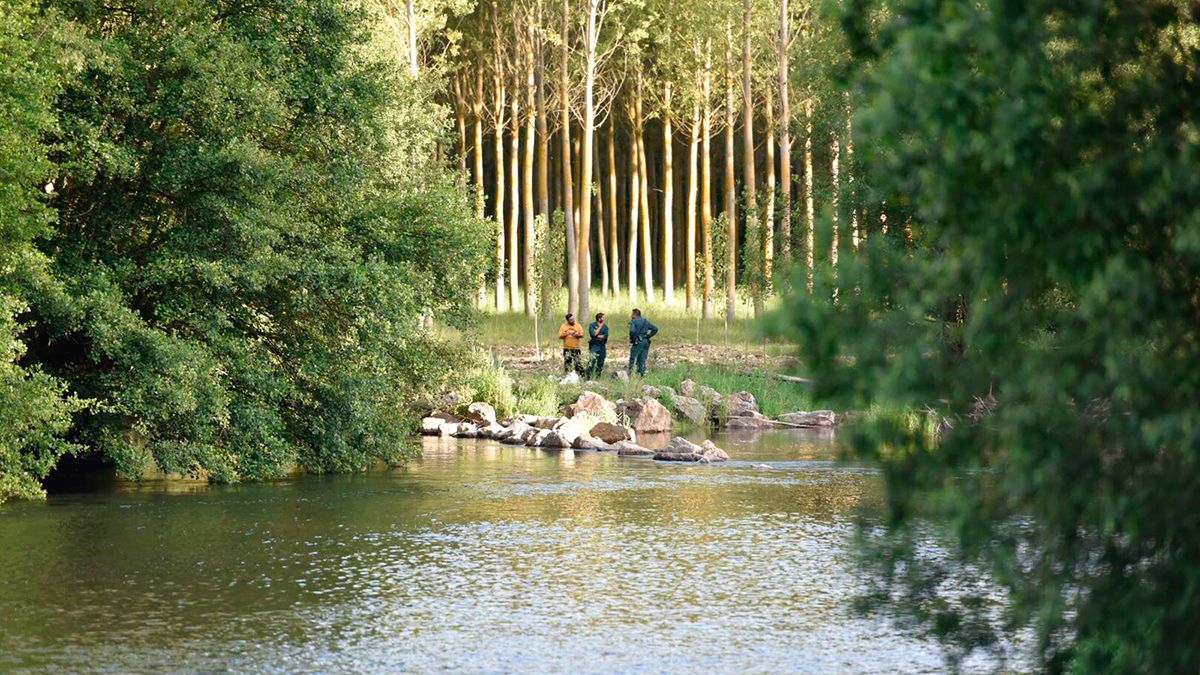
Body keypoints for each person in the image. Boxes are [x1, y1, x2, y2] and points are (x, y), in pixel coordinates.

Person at [627, 308, 658, 376]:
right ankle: (641, 374)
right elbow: (655, 329)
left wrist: (632, 339)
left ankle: (630, 374)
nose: (631, 315)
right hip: (645, 342)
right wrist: (648, 336)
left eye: (632, 314)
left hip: (637, 342)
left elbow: (632, 331)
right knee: (642, 358)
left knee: (633, 358)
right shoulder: (645, 321)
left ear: (634, 314)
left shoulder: (633, 321)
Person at [587, 312, 609, 377]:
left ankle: (598, 376)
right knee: (592, 360)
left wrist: (597, 335)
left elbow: (605, 335)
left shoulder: (605, 326)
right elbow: (593, 334)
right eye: (602, 318)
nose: (604, 319)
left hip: (602, 346)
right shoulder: (592, 325)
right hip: (594, 345)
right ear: (599, 319)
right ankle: (588, 375)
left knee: (601, 361)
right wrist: (599, 328)